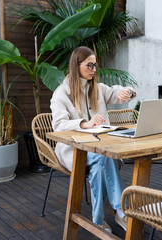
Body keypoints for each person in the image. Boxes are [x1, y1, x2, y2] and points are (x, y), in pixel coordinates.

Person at [50, 46, 136, 232]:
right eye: (90, 65)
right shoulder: (61, 94)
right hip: (73, 151)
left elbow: (117, 91)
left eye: (95, 65)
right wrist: (83, 124)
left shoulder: (97, 89)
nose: (94, 70)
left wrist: (126, 92)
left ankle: (97, 221)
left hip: (99, 149)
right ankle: (121, 210)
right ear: (76, 65)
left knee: (98, 167)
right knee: (104, 156)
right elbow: (58, 125)